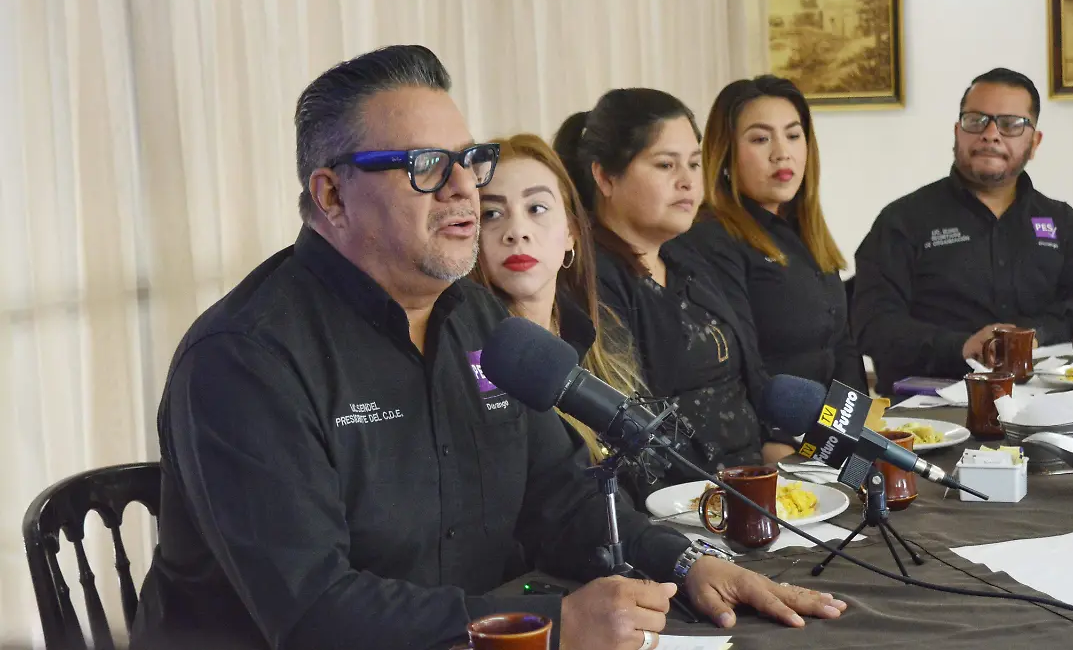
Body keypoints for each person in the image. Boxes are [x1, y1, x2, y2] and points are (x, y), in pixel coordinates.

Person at [130, 46, 845, 650]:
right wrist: (554, 623)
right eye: (425, 165)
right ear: (332, 195)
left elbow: (561, 496)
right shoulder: (245, 358)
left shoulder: (473, 315)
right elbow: (314, 613)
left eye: (469, 160)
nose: (465, 188)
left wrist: (686, 563)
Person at [554, 89, 796, 497]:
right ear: (605, 177)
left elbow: (750, 381)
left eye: (694, 163)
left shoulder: (689, 256)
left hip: (752, 486)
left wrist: (786, 461)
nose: (687, 181)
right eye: (666, 164)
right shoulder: (588, 278)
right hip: (678, 506)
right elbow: (633, 434)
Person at [852, 67, 1073, 394]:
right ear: (957, 132)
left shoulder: (1062, 222)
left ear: (1034, 142)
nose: (990, 134)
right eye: (976, 120)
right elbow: (872, 324)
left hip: (1045, 401)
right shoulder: (903, 221)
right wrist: (962, 347)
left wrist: (1031, 336)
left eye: (1011, 124)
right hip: (931, 406)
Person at [683, 75, 866, 397]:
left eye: (793, 135)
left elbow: (841, 345)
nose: (782, 153)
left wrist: (857, 421)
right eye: (760, 139)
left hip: (833, 421)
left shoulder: (804, 229)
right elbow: (744, 369)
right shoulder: (711, 239)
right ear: (726, 154)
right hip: (775, 424)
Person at [472, 132, 646, 465]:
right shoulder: (470, 352)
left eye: (536, 208)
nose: (517, 231)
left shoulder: (601, 330)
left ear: (571, 232)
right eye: (491, 214)